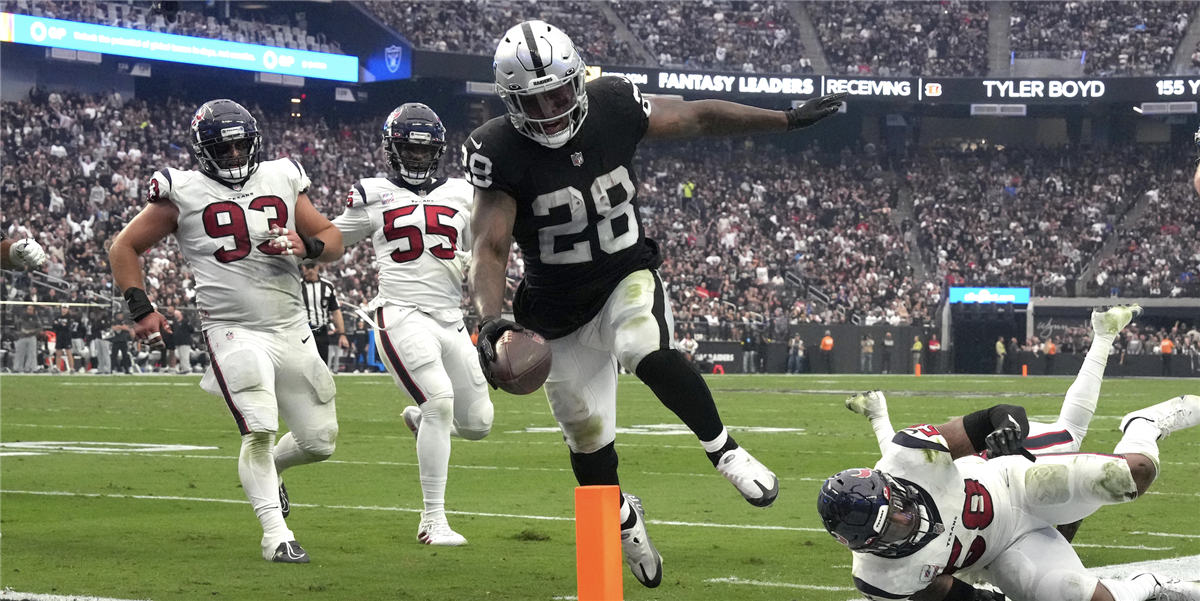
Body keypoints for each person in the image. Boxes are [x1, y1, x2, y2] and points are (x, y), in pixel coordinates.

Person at [466, 20, 844, 588]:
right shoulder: (497, 149)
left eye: (559, 92)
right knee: (587, 440)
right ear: (509, 101)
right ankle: (623, 522)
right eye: (533, 99)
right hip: (554, 309)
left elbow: (696, 115)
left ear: (579, 79)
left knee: (644, 345)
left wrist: (783, 119)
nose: (549, 108)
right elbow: (490, 245)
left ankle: (727, 452)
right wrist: (491, 321)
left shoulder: (614, 102)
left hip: (623, 274)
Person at [108, 99, 344, 563]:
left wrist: (307, 243)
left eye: (241, 144)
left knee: (320, 441)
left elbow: (332, 239)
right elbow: (124, 246)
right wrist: (142, 310)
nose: (235, 154)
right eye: (224, 146)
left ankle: (271, 470)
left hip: (291, 325)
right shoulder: (183, 190)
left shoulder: (281, 175)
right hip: (232, 328)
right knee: (257, 426)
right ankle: (277, 535)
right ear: (202, 149)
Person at [333, 102, 493, 546]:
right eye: (411, 149)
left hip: (450, 318)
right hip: (400, 312)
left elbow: (485, 247)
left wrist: (471, 259)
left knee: (479, 423)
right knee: (440, 401)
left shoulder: (463, 193)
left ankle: (421, 423)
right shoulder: (372, 193)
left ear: (438, 151)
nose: (419, 158)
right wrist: (300, 242)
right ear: (392, 149)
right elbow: (332, 242)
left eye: (426, 151)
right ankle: (432, 520)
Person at [847, 305, 1143, 543]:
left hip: (1008, 458)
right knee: (902, 461)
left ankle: (1104, 336)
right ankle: (877, 411)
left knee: (1071, 437)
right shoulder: (908, 475)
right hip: (979, 477)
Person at [300, 263, 348, 371]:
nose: (310, 271)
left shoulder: (327, 286)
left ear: (317, 267)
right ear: (303, 267)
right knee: (303, 368)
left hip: (321, 331)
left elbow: (336, 311)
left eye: (312, 267)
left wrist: (342, 334)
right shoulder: (298, 286)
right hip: (303, 332)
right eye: (308, 267)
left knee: (322, 369)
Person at [15, 305, 42, 373]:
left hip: (31, 337)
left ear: (33, 311)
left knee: (32, 353)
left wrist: (34, 331)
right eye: (28, 309)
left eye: (31, 309)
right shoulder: (22, 317)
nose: (29, 311)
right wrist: (20, 331)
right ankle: (18, 368)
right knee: (20, 353)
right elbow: (17, 324)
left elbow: (40, 328)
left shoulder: (36, 318)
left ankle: (32, 368)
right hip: (22, 337)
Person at [51, 304, 75, 374]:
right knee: (58, 353)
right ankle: (58, 368)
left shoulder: (70, 317)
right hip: (59, 336)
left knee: (68, 352)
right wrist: (61, 324)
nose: (64, 309)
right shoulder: (57, 316)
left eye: (65, 308)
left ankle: (72, 368)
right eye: (63, 308)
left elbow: (67, 326)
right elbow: (54, 326)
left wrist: (59, 324)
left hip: (67, 337)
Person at [171, 309, 195, 374]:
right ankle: (183, 368)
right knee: (180, 356)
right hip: (178, 342)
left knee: (185, 356)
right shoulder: (175, 323)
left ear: (180, 314)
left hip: (185, 341)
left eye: (177, 314)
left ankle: (186, 368)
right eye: (175, 315)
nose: (176, 316)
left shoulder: (185, 321)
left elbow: (192, 330)